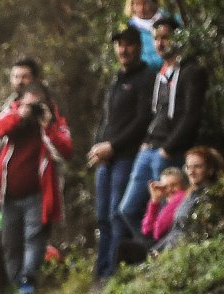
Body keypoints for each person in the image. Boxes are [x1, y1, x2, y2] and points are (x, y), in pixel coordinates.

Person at [116, 17, 208, 240]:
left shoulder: (190, 71)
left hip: (169, 150)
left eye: (165, 37)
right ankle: (155, 253)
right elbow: (154, 113)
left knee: (169, 210)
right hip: (148, 148)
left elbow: (191, 115)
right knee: (127, 210)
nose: (159, 43)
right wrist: (145, 143)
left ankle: (169, 254)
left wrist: (169, 147)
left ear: (178, 38)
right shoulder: (160, 74)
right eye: (156, 38)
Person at [0, 81, 74, 294]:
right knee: (10, 242)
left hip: (38, 193)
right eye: (29, 102)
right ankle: (16, 284)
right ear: (21, 101)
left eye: (38, 102)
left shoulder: (53, 120)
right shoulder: (12, 114)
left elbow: (66, 151)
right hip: (10, 194)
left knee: (34, 238)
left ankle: (28, 281)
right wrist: (20, 115)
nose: (34, 107)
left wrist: (47, 125)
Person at [88, 25, 157, 280]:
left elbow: (142, 120)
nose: (123, 49)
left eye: (127, 44)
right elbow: (105, 119)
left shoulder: (146, 77)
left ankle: (116, 271)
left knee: (119, 215)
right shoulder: (116, 79)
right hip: (105, 159)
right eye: (119, 45)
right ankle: (102, 272)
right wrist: (98, 146)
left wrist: (113, 146)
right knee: (103, 217)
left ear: (138, 47)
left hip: (126, 155)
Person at [150, 145, 224, 253]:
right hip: (168, 248)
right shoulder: (190, 194)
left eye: (197, 167)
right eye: (188, 167)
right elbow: (174, 231)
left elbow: (194, 235)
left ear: (210, 170)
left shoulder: (209, 196)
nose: (191, 172)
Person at [115, 165, 187, 265]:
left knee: (125, 248)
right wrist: (154, 201)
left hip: (166, 244)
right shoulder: (163, 203)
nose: (170, 189)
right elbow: (147, 229)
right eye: (165, 186)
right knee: (124, 247)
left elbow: (158, 231)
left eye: (174, 185)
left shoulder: (182, 196)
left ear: (182, 185)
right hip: (159, 243)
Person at [127, 0, 168, 69]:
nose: (141, 9)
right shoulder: (130, 29)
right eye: (137, 4)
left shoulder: (171, 20)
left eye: (145, 3)